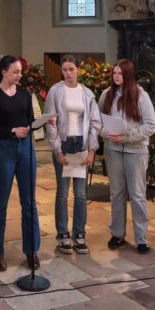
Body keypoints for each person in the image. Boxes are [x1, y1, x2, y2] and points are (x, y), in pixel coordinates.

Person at [0, 55, 41, 271]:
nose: (19, 75)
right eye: (15, 71)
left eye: (20, 71)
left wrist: (44, 121)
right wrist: (11, 131)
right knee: (0, 202)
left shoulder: (24, 94)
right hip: (4, 148)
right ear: (4, 72)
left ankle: (32, 250)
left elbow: (30, 121)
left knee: (29, 202)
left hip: (26, 149)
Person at [97, 59, 155, 254]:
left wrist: (127, 136)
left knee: (137, 194)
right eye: (114, 73)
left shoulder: (141, 96)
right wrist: (108, 134)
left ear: (128, 75)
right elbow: (97, 122)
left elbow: (151, 125)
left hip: (135, 151)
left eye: (120, 74)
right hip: (113, 149)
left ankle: (141, 238)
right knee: (117, 193)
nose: (116, 76)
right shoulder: (106, 95)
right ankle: (117, 234)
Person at [43, 55, 101, 254]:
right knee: (62, 193)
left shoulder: (87, 93)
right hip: (65, 144)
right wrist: (57, 150)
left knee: (81, 194)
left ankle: (79, 233)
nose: (68, 73)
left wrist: (92, 150)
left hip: (81, 145)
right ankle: (63, 234)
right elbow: (51, 122)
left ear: (78, 70)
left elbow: (95, 123)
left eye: (71, 69)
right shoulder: (56, 91)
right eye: (65, 69)